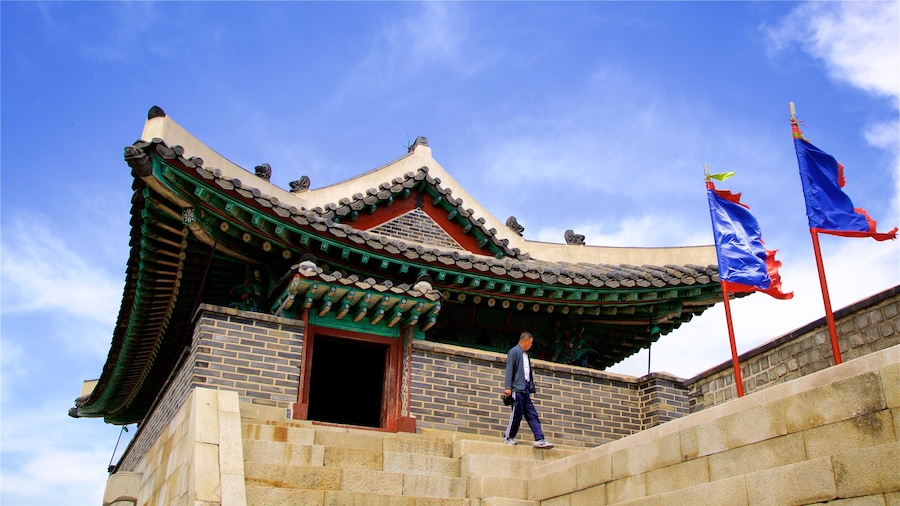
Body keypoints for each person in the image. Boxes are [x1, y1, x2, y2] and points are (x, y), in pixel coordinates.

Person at [503, 331, 554, 448]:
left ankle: (539, 438)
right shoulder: (514, 352)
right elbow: (509, 370)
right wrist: (508, 388)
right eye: (530, 343)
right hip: (517, 388)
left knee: (532, 414)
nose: (531, 345)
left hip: (525, 388)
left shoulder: (526, 355)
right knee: (517, 413)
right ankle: (508, 437)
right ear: (525, 341)